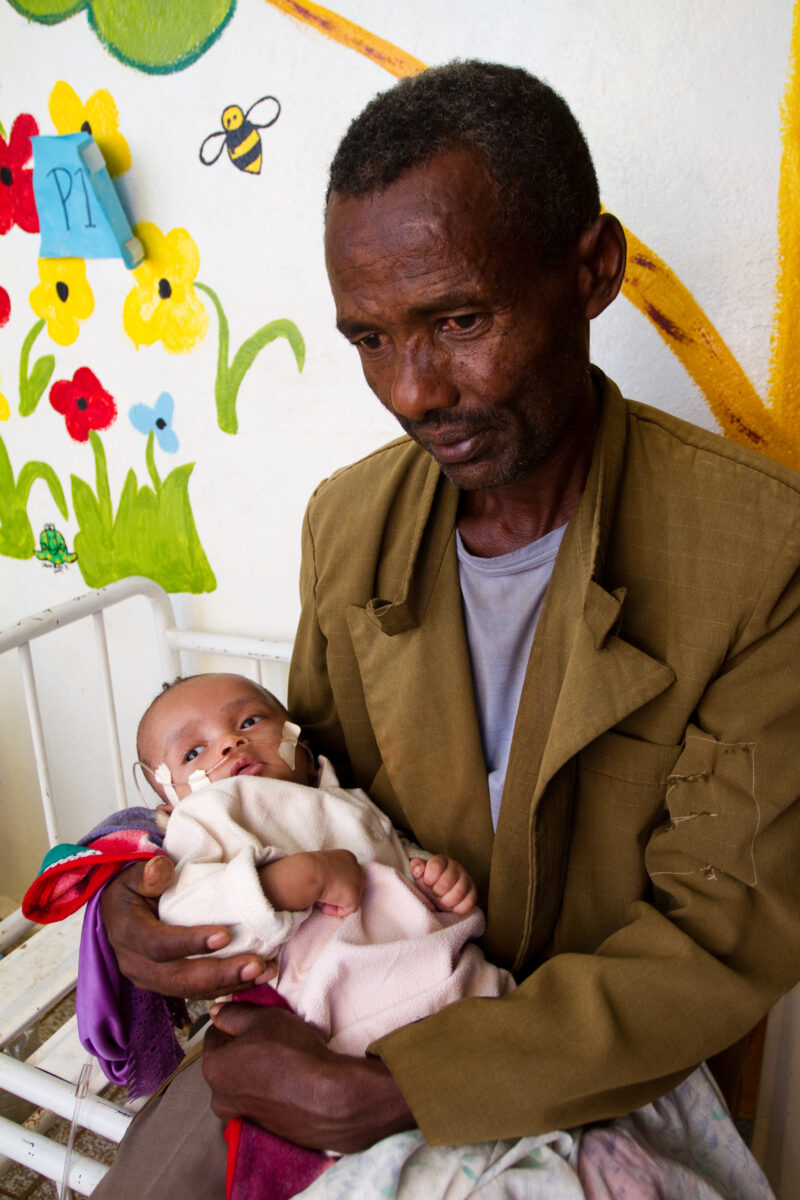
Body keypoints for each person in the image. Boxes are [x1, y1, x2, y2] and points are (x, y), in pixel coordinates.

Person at [93, 60, 800, 1195]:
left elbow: (719, 933)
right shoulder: (350, 521)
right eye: (369, 338)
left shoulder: (759, 558)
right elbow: (299, 782)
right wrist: (140, 916)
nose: (413, 390)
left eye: (458, 319)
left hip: (570, 1055)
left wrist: (417, 1081)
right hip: (341, 995)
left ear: (592, 273)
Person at [137, 671, 512, 1056]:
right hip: (351, 1020)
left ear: (300, 740)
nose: (231, 742)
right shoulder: (205, 816)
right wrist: (283, 884)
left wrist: (432, 875)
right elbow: (184, 915)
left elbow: (391, 850)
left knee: (514, 1040)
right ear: (170, 804)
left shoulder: (341, 797)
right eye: (193, 752)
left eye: (249, 722)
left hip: (456, 976)